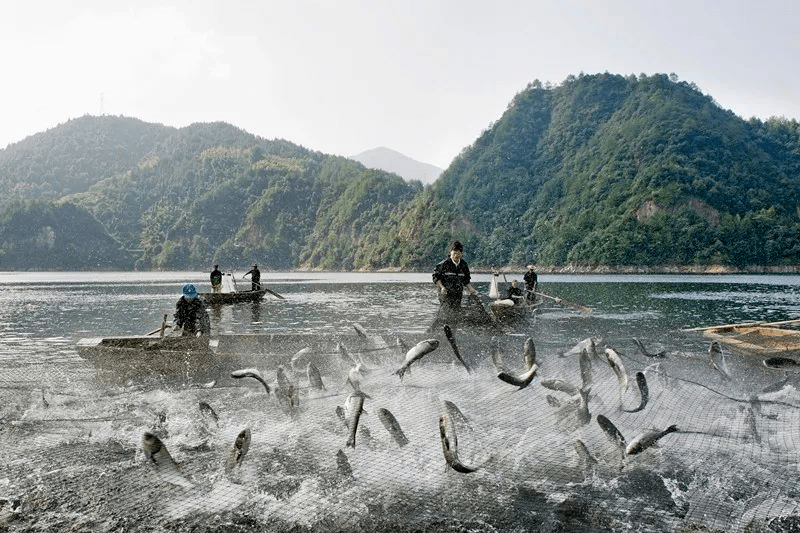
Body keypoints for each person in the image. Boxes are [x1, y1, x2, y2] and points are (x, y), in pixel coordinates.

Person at [432, 241, 478, 314]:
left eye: (458, 253)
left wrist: (470, 288)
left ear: (461, 254)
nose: (456, 255)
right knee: (447, 312)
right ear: (451, 252)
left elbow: (466, 280)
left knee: (456, 312)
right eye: (454, 253)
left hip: (458, 293)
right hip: (445, 293)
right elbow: (436, 278)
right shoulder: (444, 264)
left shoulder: (464, 265)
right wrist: (442, 287)